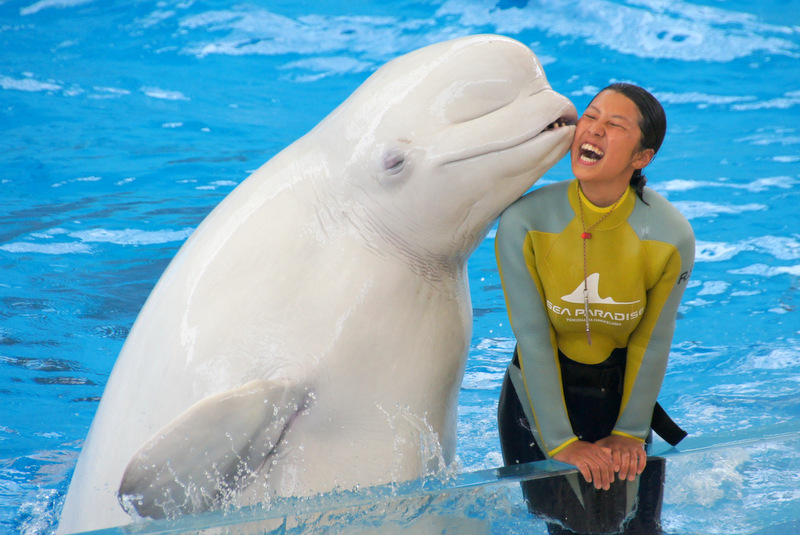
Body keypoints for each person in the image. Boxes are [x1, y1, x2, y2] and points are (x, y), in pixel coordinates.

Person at [495, 83, 694, 534]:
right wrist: (561, 442)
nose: (594, 129)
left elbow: (653, 338)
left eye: (615, 125)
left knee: (642, 529)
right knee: (577, 529)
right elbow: (533, 336)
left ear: (641, 157)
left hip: (620, 400)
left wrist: (629, 430)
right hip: (536, 401)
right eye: (591, 116)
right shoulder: (525, 222)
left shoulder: (669, 235)